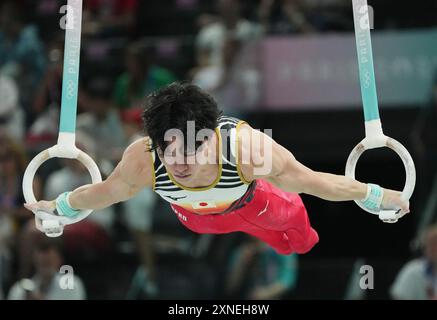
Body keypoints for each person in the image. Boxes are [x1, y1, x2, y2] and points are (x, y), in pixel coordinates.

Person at [24, 82, 410, 256]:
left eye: (190, 152)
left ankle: (299, 239)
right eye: (169, 153)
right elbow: (104, 193)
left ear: (210, 137)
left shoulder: (247, 149)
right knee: (212, 222)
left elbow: (314, 182)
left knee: (298, 242)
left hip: (257, 204)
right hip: (195, 219)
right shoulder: (143, 158)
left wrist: (374, 195)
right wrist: (58, 207)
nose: (180, 165)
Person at [7, 238, 86, 300]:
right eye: (41, 263)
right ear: (34, 260)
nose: (45, 268)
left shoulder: (71, 285)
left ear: (59, 259)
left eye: (48, 262)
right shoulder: (19, 290)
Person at [390, 224, 437, 300]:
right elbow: (398, 296)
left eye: (436, 244)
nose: (434, 249)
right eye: (431, 244)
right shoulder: (413, 270)